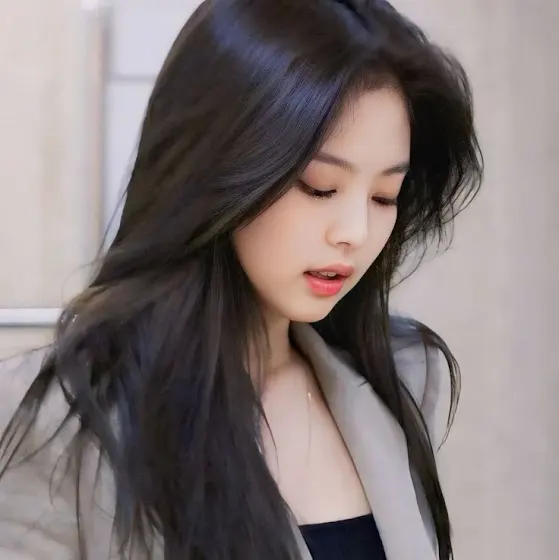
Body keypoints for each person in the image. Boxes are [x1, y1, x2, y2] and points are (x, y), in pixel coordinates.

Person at [0, 0, 483, 559]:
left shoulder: (400, 376)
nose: (355, 231)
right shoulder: (63, 417)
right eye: (320, 187)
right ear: (218, 168)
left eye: (384, 196)